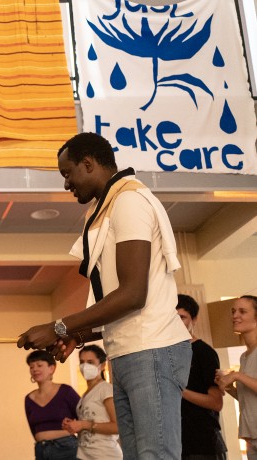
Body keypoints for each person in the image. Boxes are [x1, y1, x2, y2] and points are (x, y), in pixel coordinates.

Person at [17, 132, 191, 459]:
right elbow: (114, 301)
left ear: (88, 164)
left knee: (156, 455)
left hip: (152, 347)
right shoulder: (103, 209)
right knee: (137, 455)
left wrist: (59, 327)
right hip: (126, 349)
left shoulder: (129, 201)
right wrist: (80, 334)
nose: (66, 184)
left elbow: (133, 295)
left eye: (68, 174)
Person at [176, 294, 226, 459]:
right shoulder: (166, 354)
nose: (176, 323)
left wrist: (180, 391)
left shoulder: (204, 352)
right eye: (172, 318)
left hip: (203, 443)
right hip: (177, 442)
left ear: (194, 319)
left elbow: (216, 402)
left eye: (182, 317)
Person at [215, 295, 257, 459]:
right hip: (251, 438)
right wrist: (229, 388)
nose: (235, 316)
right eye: (233, 311)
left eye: (242, 312)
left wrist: (237, 375)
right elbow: (248, 398)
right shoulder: (244, 357)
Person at [61, 345, 121, 459]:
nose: (85, 366)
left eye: (90, 362)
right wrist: (74, 424)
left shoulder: (105, 389)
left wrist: (83, 424)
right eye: (82, 362)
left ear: (102, 365)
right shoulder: (86, 394)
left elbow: (117, 426)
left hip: (105, 455)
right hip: (86, 455)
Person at [24, 350, 79, 460]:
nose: (35, 369)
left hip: (66, 449)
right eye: (31, 367)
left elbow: (84, 418)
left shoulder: (66, 391)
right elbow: (33, 430)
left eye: (39, 365)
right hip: (41, 450)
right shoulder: (29, 399)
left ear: (52, 368)